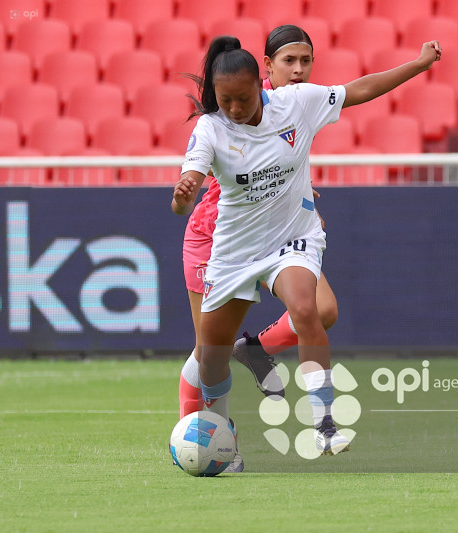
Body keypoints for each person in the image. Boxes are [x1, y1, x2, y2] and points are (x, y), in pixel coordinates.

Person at [171, 34, 441, 459]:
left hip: (290, 239)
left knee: (307, 307)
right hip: (231, 249)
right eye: (226, 101)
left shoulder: (297, 102)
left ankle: (325, 427)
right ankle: (222, 437)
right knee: (211, 358)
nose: (235, 109)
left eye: (243, 99)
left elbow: (360, 89)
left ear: (260, 86)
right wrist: (183, 193)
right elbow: (186, 193)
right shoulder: (211, 128)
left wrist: (417, 64)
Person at [177, 26, 338, 431]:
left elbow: (281, 169)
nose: (298, 70)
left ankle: (254, 349)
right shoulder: (242, 101)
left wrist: (303, 200)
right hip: (217, 236)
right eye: (289, 61)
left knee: (322, 310)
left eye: (306, 61)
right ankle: (200, 435)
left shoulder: (292, 104)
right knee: (206, 351)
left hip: (274, 235)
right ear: (267, 67)